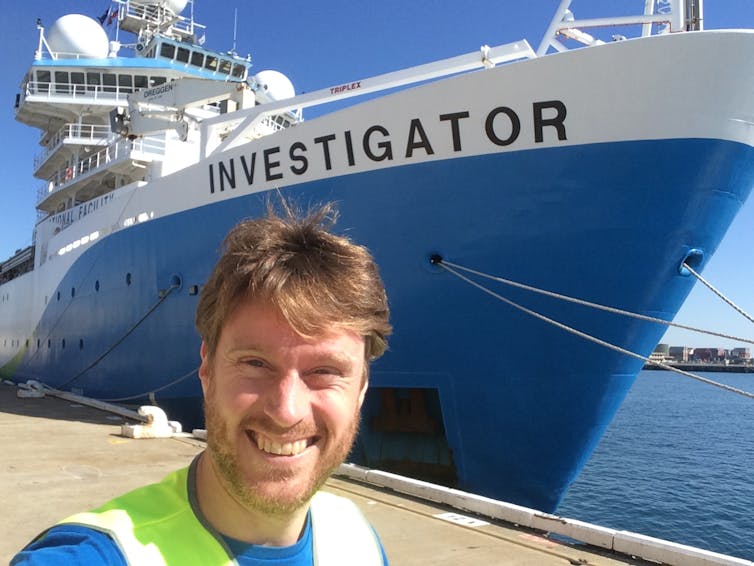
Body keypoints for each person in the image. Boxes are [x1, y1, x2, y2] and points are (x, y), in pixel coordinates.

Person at [12, 201, 392, 565]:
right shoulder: (102, 554)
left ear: (361, 388)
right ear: (206, 370)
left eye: (324, 371)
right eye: (255, 363)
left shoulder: (356, 535)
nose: (286, 410)